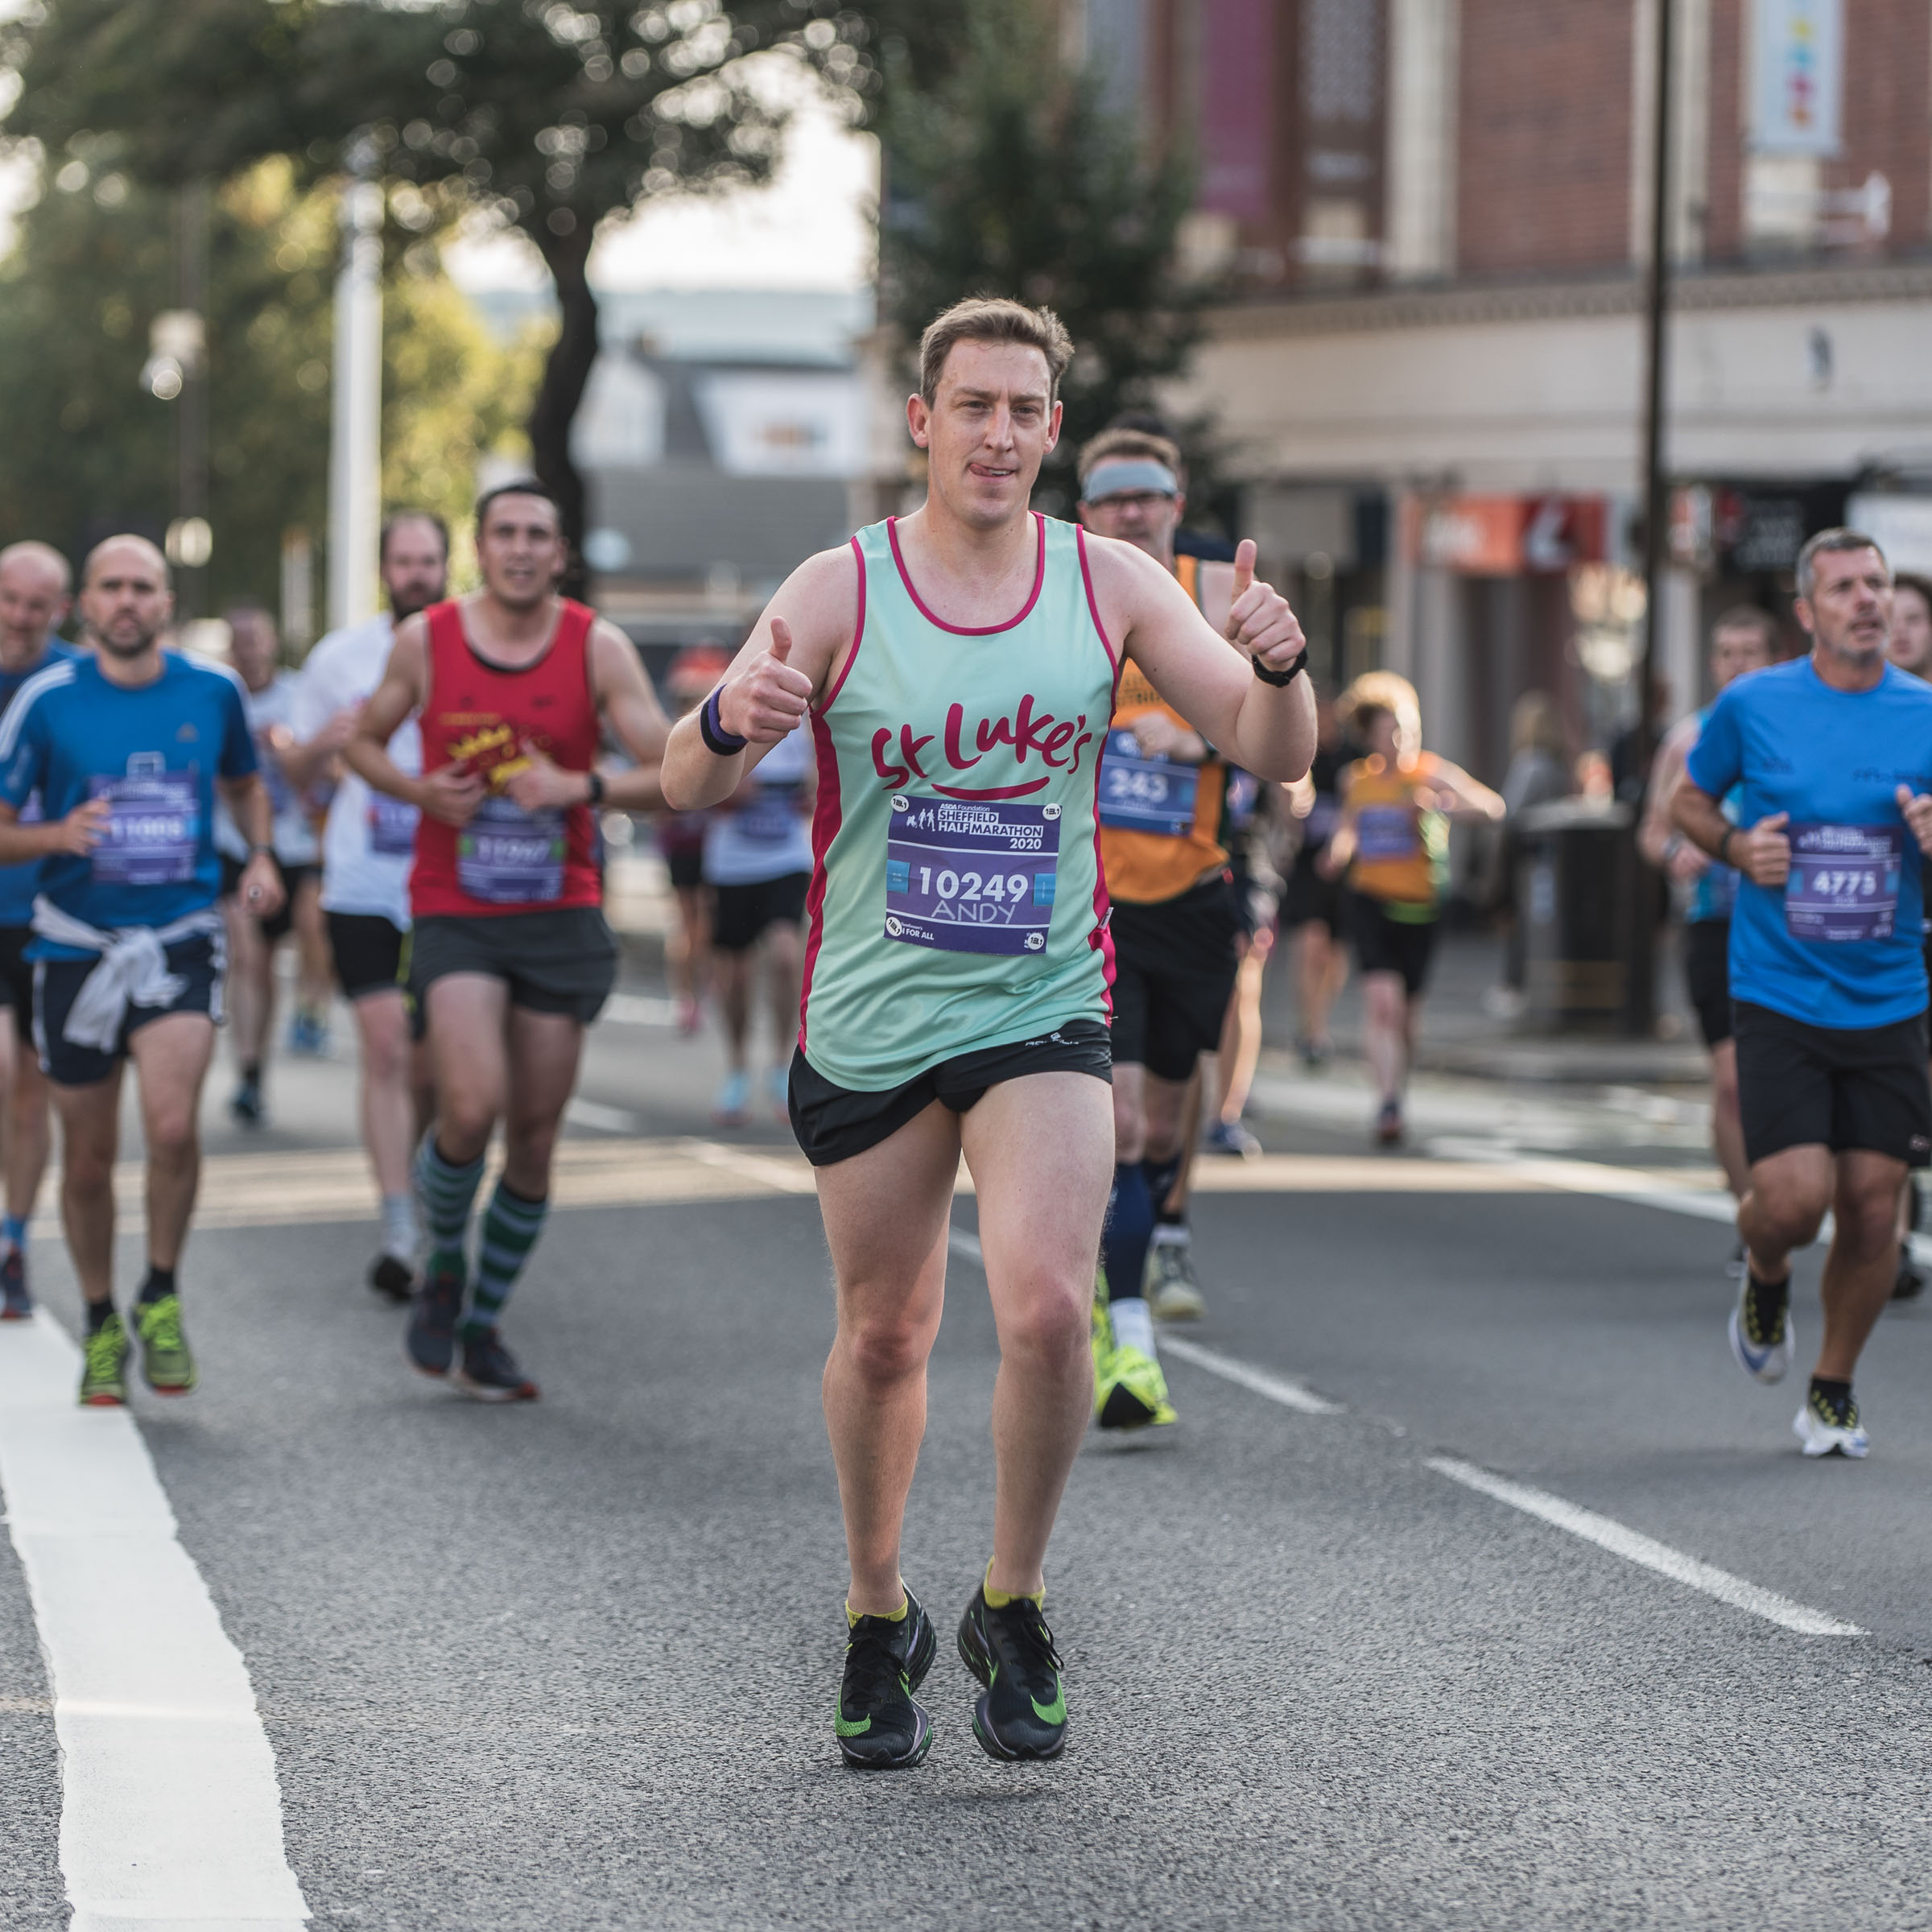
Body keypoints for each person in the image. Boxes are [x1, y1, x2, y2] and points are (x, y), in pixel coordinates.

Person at [659, 297, 1315, 1769]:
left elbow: (1274, 752)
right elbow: (681, 785)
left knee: (1041, 1307)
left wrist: (1278, 665)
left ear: (1054, 432)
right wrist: (726, 717)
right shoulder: (841, 586)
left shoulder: (1113, 582)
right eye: (975, 406)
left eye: (1027, 411)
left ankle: (1011, 1599)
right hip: (873, 1014)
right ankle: (876, 1610)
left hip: (1038, 1003)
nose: (1001, 435)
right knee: (888, 1333)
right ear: (923, 423)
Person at [346, 483, 671, 1401]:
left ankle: (482, 1324)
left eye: (538, 535)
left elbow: (669, 768)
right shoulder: (428, 640)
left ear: (559, 553)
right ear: (480, 550)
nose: (521, 550)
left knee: (532, 1136)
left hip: (559, 914)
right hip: (455, 910)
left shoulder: (595, 646)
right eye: (504, 535)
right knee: (472, 1105)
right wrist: (420, 794)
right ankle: (444, 1261)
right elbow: (363, 744)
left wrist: (580, 788)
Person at [0, 536, 283, 1405]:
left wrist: (262, 856)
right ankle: (97, 1318)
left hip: (179, 940)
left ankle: (158, 1291)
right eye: (111, 588)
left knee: (169, 1129)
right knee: (87, 1162)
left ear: (166, 603)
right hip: (72, 947)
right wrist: (56, 837)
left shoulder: (213, 690)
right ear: (84, 606)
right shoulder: (47, 703)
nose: (127, 602)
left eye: (143, 588)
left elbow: (244, 781)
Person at [1674, 529, 1932, 1459]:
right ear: (1807, 612)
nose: (1867, 600)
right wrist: (1739, 849)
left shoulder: (1926, 714)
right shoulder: (1756, 704)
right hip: (1780, 991)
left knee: (1873, 1203)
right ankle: (1766, 1267)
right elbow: (1689, 804)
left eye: (1879, 584)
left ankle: (1831, 1389)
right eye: (1846, 588)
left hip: (1891, 995)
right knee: (1793, 1200)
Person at [1074, 425, 1249, 1376]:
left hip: (1194, 889)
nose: (1131, 511)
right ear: (1085, 510)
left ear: (1176, 504)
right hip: (1089, 903)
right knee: (1128, 1120)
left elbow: (1289, 722)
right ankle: (1126, 1321)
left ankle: (1157, 1233)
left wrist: (1208, 738)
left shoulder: (1218, 592)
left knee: (1175, 1108)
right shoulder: (1058, 590)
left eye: (1148, 495)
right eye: (1111, 498)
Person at [282, 511, 448, 1298]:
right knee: (384, 1047)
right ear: (384, 569)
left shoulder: (474, 648)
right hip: (362, 884)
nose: (416, 573)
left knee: (433, 1068)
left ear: (450, 565)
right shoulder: (339, 658)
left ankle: (417, 1185)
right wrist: (328, 743)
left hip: (450, 888)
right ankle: (399, 1226)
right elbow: (297, 780)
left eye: (429, 560)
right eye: (403, 561)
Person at [1320, 672, 1503, 1145]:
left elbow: (1492, 808)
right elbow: (1348, 829)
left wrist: (1443, 806)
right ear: (1373, 736)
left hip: (1421, 905)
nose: (1401, 739)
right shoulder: (1356, 780)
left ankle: (1397, 1085)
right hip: (1370, 899)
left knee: (1406, 1013)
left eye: (1408, 728)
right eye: (1391, 730)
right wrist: (1337, 853)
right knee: (1382, 1002)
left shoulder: (1431, 773)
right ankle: (1387, 1102)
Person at [1639, 609, 1777, 1236]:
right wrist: (1676, 852)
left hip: (1788, 927)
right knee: (1732, 1086)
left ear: (1774, 658)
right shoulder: (1687, 740)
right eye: (1727, 652)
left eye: (1751, 651)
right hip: (1714, 926)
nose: (1737, 663)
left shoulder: (1793, 733)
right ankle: (1754, 1224)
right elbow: (1651, 832)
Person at [0, 543, 76, 1318]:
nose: (20, 617)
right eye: (8, 599)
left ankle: (12, 1241)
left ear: (61, 608)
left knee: (31, 1095)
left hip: (47, 914)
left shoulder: (72, 684)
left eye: (37, 605)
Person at [213, 605, 320, 1125]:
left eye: (257, 639)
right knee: (249, 958)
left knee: (297, 948)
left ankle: (299, 1021)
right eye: (241, 641)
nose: (250, 650)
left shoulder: (299, 696)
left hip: (293, 846)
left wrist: (292, 751)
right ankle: (249, 1073)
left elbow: (323, 773)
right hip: (234, 847)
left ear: (274, 643)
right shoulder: (218, 696)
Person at [704, 716, 814, 1125]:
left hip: (786, 858)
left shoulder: (806, 723)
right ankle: (735, 1067)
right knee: (736, 976)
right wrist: (727, 788)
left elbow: (821, 788)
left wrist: (808, 789)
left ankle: (781, 1064)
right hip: (732, 865)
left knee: (786, 956)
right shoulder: (734, 712)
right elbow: (692, 786)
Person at [1882, 571, 1932, 1298]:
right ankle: (1887, 1243)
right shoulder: (1853, 714)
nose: (1900, 630)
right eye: (1890, 617)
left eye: (1916, 618)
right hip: (1876, 939)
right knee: (1888, 1090)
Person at [655, 646, 729, 1036]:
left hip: (712, 844)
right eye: (689, 696)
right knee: (688, 923)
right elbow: (662, 800)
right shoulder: (675, 739)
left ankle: (702, 989)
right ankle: (686, 997)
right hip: (682, 844)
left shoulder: (719, 736)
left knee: (707, 922)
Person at [1277, 694, 1350, 1071]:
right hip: (1305, 867)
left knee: (1335, 955)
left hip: (1344, 872)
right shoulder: (1299, 753)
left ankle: (1319, 1021)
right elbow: (1290, 804)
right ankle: (1311, 1029)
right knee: (1310, 946)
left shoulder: (1353, 757)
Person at [1487, 691, 1571, 1018]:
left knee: (1520, 923)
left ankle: (1515, 988)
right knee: (1541, 921)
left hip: (1523, 858)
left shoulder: (1530, 764)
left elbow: (1510, 814)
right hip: (1550, 859)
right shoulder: (1557, 766)